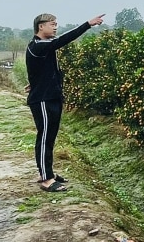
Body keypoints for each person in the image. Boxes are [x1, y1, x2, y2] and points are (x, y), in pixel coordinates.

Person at [26, 13, 104, 192]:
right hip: (43, 100)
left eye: (56, 24)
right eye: (52, 24)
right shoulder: (39, 45)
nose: (55, 27)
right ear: (41, 27)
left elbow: (38, 68)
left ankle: (47, 172)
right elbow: (63, 40)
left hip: (50, 96)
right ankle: (46, 179)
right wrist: (87, 24)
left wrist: (37, 81)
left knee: (49, 137)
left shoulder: (42, 47)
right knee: (45, 138)